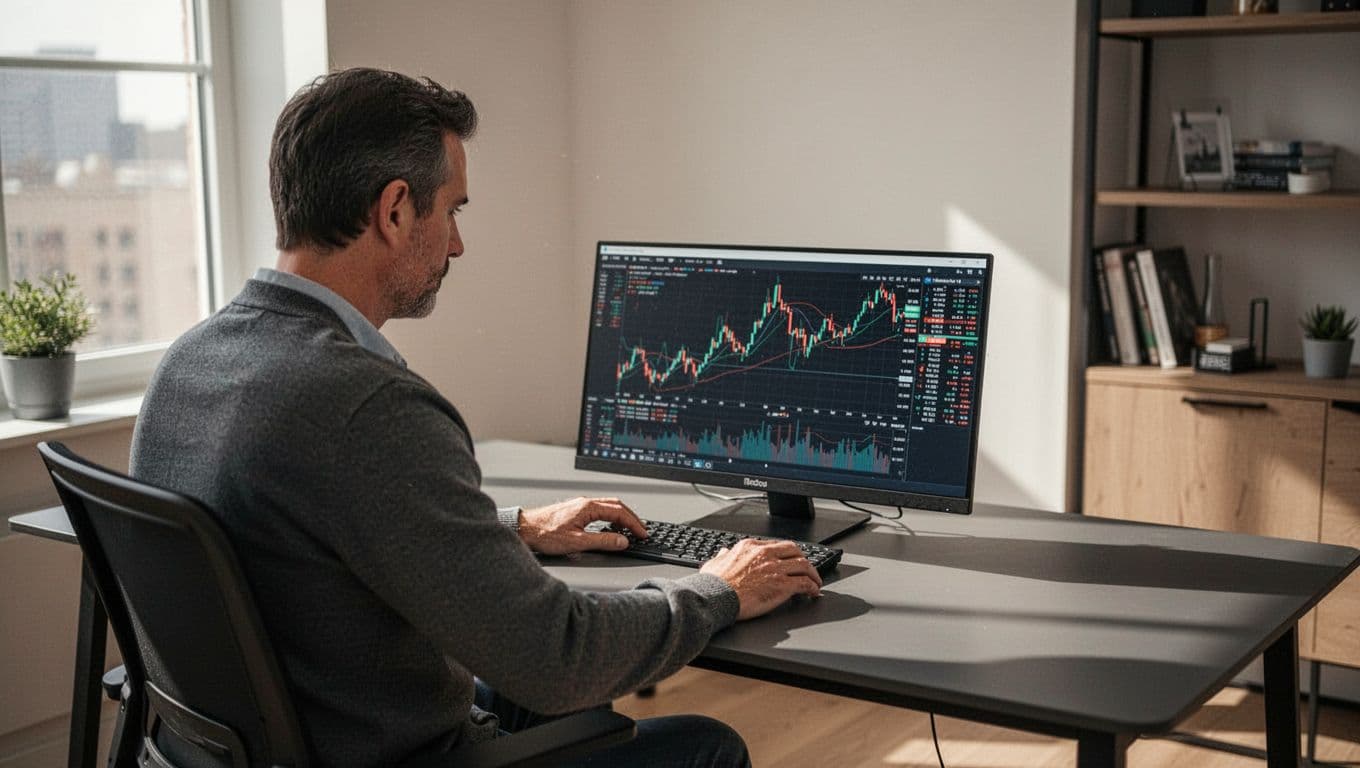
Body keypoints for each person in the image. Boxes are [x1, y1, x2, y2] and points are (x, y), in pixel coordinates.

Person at [129, 67, 823, 768]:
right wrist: (716, 590)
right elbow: (560, 657)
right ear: (395, 210)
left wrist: (514, 529)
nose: (457, 245)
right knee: (707, 746)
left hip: (257, 745)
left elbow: (312, 532)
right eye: (452, 211)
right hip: (397, 752)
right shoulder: (369, 406)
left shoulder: (188, 363)